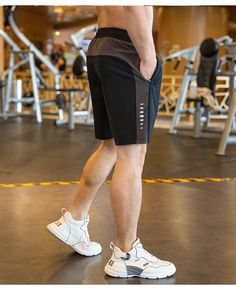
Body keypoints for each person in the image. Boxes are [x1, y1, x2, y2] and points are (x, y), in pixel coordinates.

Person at [47, 6, 176, 279]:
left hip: (102, 44)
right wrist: (149, 57)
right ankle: (127, 254)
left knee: (110, 145)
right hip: (127, 47)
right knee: (132, 155)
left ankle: (75, 219)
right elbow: (132, 5)